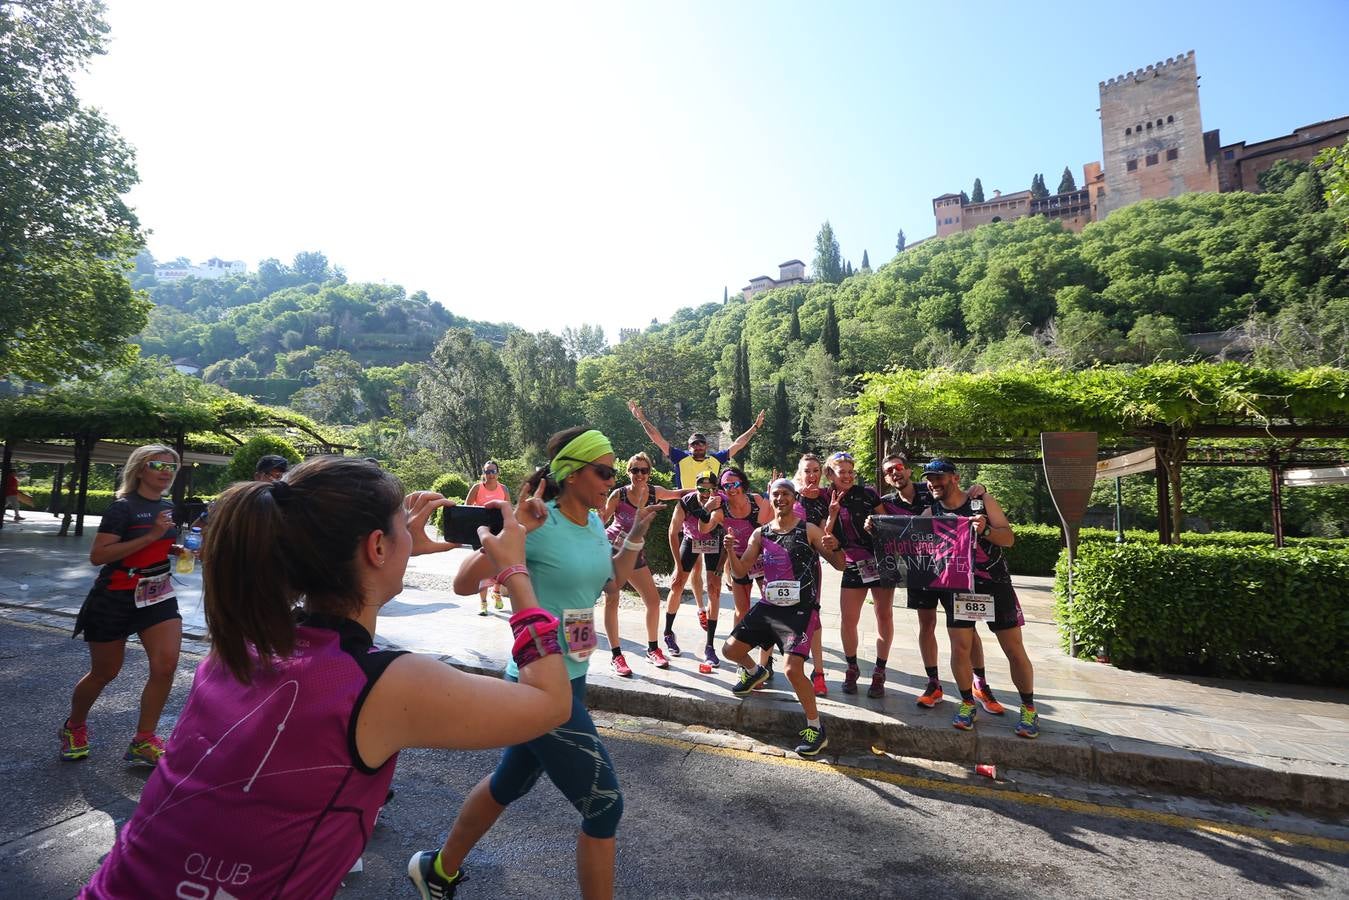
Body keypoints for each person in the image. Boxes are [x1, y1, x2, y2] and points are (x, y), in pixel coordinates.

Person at [80, 456, 573, 898]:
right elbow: (551, 703)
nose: (409, 533)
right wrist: (515, 573)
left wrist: (387, 555)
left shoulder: (243, 644)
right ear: (376, 547)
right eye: (400, 527)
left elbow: (342, 620)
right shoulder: (387, 683)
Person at [415, 427, 659, 900]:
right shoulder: (538, 525)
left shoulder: (591, 523)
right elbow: (465, 584)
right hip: (538, 686)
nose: (613, 479)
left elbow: (609, 584)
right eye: (604, 471)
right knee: (604, 806)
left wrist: (635, 534)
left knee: (510, 782)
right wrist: (518, 531)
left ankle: (438, 870)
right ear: (570, 473)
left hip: (576, 675)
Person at [61, 445, 184, 767]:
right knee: (105, 672)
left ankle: (144, 739)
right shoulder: (122, 508)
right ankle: (73, 727)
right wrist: (151, 535)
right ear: (140, 469)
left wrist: (181, 550)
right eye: (157, 464)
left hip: (157, 593)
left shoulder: (168, 506)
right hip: (115, 595)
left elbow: (161, 543)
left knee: (166, 665)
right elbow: (98, 556)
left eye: (172, 466)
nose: (166, 470)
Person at [721, 478, 847, 756]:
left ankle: (816, 728)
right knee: (730, 649)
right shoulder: (761, 533)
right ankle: (756, 671)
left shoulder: (809, 530)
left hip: (800, 609)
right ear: (770, 497)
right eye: (775, 494)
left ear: (794, 499)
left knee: (792, 669)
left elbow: (840, 564)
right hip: (770, 605)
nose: (780, 499)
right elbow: (741, 572)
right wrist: (730, 549)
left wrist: (835, 546)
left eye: (786, 494)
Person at [877, 454, 1005, 715]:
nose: (895, 473)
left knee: (967, 630)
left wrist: (979, 490)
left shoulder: (932, 488)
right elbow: (890, 531)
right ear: (886, 478)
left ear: (909, 470)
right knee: (927, 625)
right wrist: (874, 525)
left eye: (899, 468)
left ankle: (980, 682)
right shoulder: (886, 503)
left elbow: (964, 496)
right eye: (889, 471)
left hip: (952, 571)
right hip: (921, 571)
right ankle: (933, 682)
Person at [919, 459, 1039, 739]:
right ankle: (966, 703)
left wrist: (985, 530)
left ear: (955, 478)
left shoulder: (982, 501)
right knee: (960, 647)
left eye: (939, 477)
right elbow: (906, 536)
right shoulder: (931, 511)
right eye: (929, 479)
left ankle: (1029, 709)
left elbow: (1008, 538)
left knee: (1013, 648)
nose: (933, 483)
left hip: (995, 584)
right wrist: (874, 529)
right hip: (958, 586)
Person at [628, 401, 765, 625]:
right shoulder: (680, 458)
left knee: (725, 550)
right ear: (689, 447)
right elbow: (658, 439)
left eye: (701, 444)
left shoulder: (716, 460)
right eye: (694, 444)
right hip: (688, 516)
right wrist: (642, 418)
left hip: (714, 514)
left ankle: (725, 579)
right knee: (694, 566)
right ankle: (701, 608)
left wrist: (755, 427)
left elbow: (739, 443)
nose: (698, 447)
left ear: (706, 446)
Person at [600, 452, 685, 675]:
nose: (640, 474)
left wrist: (706, 490)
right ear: (628, 472)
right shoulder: (619, 494)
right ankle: (616, 656)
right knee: (613, 599)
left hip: (635, 552)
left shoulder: (655, 492)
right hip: (613, 550)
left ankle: (653, 649)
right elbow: (602, 519)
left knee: (654, 601)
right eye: (635, 470)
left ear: (649, 473)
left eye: (644, 470)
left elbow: (679, 493)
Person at [823, 451, 895, 698]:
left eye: (850, 471)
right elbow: (825, 535)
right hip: (853, 563)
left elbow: (887, 521)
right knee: (848, 619)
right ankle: (851, 667)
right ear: (830, 474)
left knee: (883, 615)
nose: (847, 475)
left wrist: (876, 524)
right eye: (841, 471)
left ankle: (879, 671)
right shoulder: (826, 496)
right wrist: (832, 515)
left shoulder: (869, 494)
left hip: (880, 561)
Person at [702, 465, 774, 681]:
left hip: (762, 560)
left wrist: (771, 497)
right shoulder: (721, 508)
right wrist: (705, 509)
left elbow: (768, 525)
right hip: (738, 561)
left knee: (769, 609)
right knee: (741, 611)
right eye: (726, 486)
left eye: (734, 484)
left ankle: (766, 661)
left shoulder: (757, 501)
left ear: (742, 483)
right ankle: (740, 656)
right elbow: (703, 529)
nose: (731, 489)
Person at [663, 470, 725, 673]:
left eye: (710, 489)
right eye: (701, 488)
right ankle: (668, 632)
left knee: (714, 591)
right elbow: (673, 532)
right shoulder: (686, 501)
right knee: (677, 584)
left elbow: (706, 526)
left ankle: (710, 645)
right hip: (691, 540)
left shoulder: (719, 501)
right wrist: (677, 565)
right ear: (696, 487)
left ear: (715, 489)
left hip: (713, 541)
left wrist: (708, 506)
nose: (705, 493)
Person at [792, 453, 831, 695]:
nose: (812, 475)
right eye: (807, 471)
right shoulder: (788, 492)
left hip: (809, 564)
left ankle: (819, 673)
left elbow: (825, 533)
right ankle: (766, 665)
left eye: (816, 470)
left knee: (813, 619)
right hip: (783, 562)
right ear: (800, 473)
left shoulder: (824, 499)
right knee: (778, 611)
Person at [467, 460, 512, 615]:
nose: (490, 474)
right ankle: (483, 603)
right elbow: (466, 510)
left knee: (500, 566)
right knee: (483, 568)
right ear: (483, 473)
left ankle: (497, 592)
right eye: (487, 471)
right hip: (480, 534)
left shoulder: (504, 489)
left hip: (499, 534)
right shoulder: (477, 488)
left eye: (493, 471)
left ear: (498, 473)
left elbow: (509, 511)